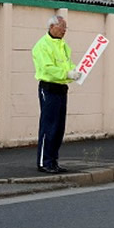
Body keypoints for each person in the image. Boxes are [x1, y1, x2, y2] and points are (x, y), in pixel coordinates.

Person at [32, 15, 81, 173]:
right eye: (62, 28)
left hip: (61, 88)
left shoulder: (63, 45)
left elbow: (68, 62)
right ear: (52, 27)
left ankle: (53, 161)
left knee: (59, 128)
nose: (64, 31)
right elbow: (47, 69)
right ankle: (44, 162)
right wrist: (67, 74)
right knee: (49, 126)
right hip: (49, 88)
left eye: (66, 28)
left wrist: (74, 71)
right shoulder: (42, 45)